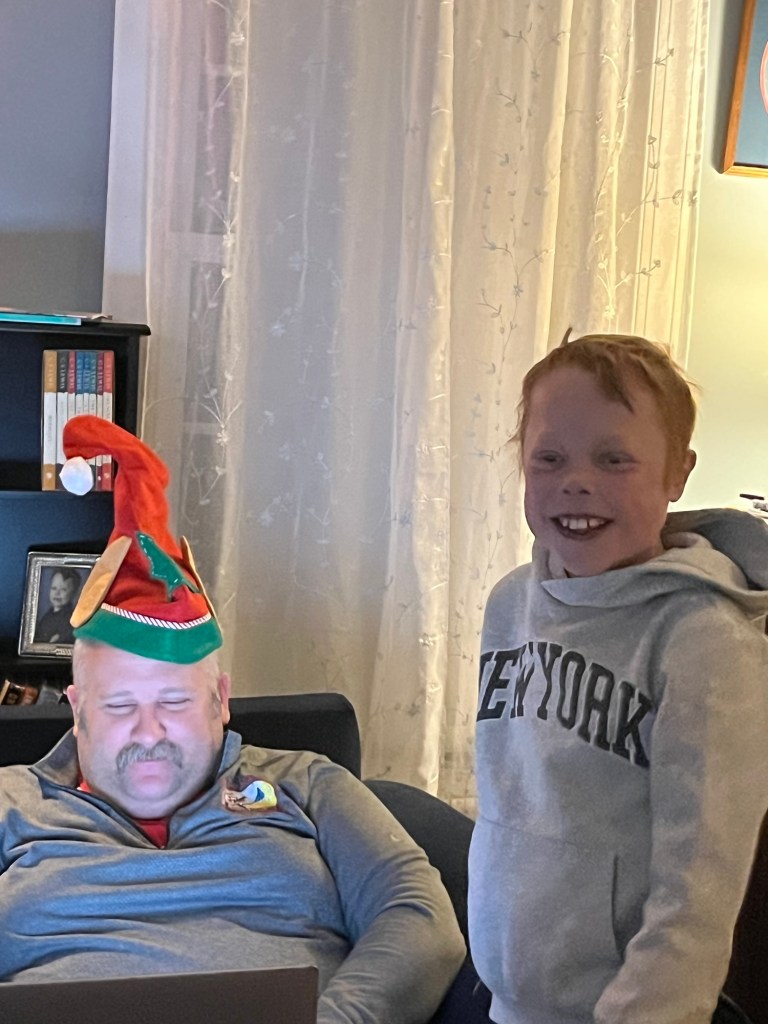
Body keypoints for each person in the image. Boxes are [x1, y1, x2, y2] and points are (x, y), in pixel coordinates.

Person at [0, 415, 466, 1024]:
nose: (149, 732)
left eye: (174, 702)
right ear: (77, 706)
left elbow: (419, 918)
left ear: (221, 700)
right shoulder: (11, 802)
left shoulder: (308, 784)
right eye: (119, 705)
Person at [469, 332, 768, 1024]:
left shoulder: (707, 640)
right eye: (549, 458)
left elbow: (698, 889)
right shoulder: (510, 602)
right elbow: (508, 798)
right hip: (511, 998)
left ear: (677, 473)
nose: (577, 481)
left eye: (614, 459)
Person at [33, 566, 80, 644]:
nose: (57, 593)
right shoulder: (48, 615)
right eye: (54, 588)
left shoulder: (70, 619)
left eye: (63, 589)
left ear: (74, 593)